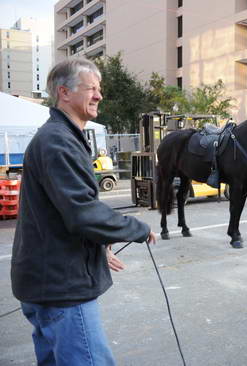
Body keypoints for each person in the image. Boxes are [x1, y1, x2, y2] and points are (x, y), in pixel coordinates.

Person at [11, 58, 157, 366]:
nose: (99, 96)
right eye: (91, 88)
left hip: (46, 281)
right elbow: (83, 212)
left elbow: (55, 214)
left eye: (99, 89)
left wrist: (98, 248)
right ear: (64, 93)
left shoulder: (59, 136)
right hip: (62, 287)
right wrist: (138, 229)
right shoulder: (57, 141)